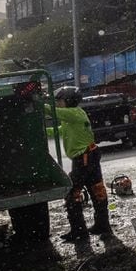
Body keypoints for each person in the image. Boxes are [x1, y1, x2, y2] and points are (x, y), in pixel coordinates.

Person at [47, 85, 111, 242]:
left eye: (60, 100)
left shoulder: (73, 113)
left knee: (72, 193)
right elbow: (60, 130)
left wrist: (35, 102)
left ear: (68, 100)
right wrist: (44, 131)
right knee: (96, 189)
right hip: (89, 155)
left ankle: (79, 231)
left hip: (84, 158)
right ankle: (102, 225)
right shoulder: (73, 117)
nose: (58, 104)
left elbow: (52, 112)